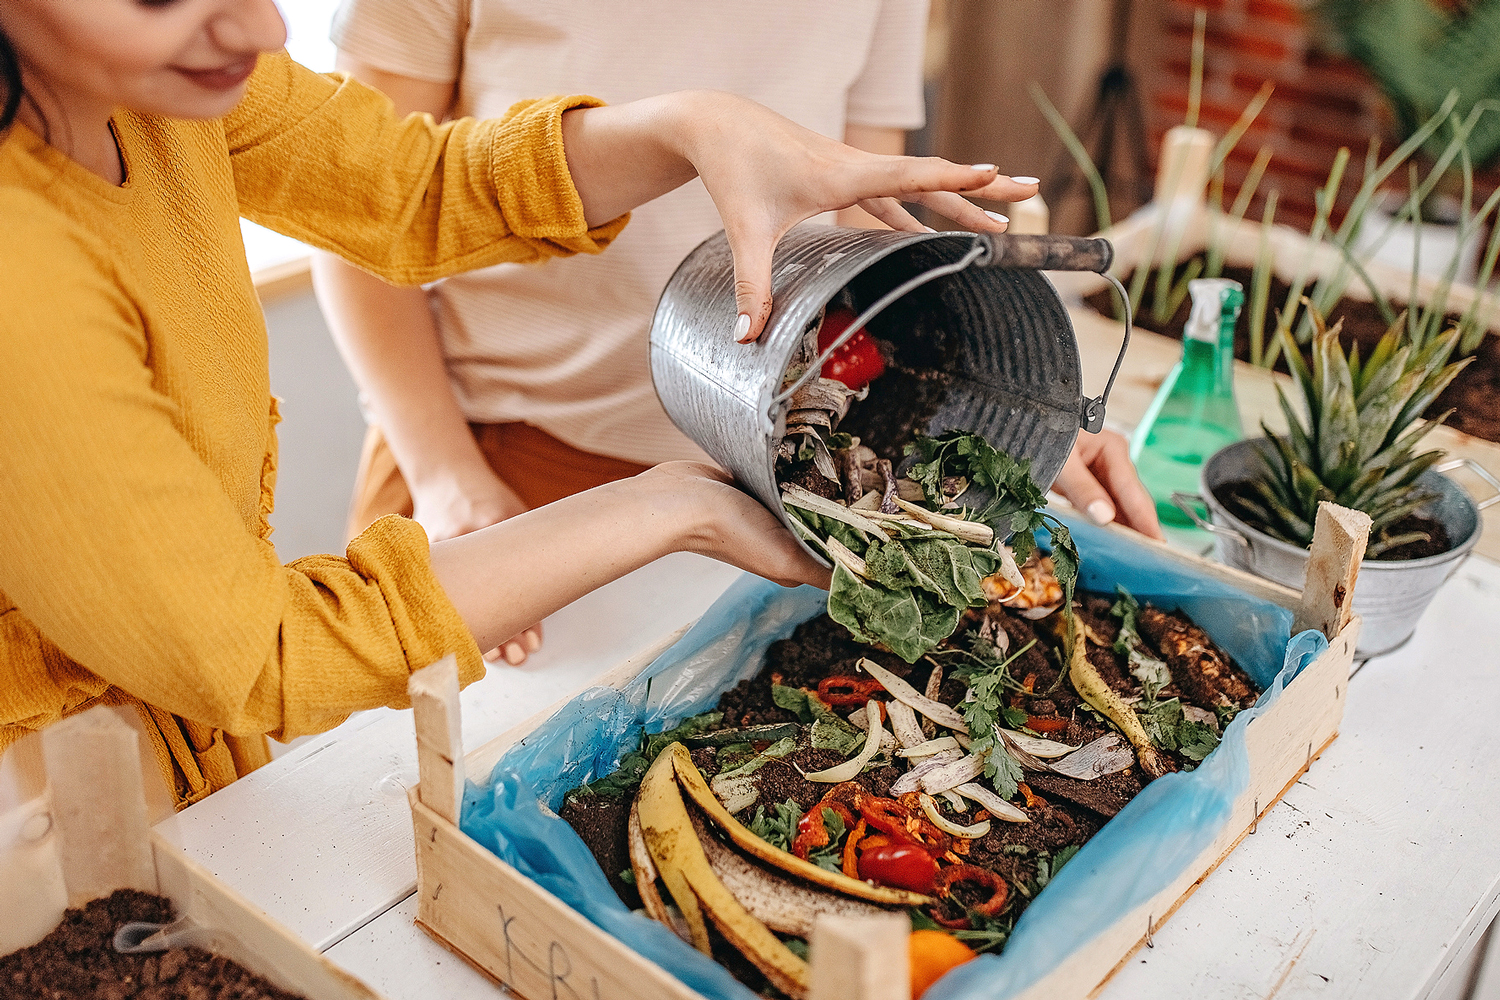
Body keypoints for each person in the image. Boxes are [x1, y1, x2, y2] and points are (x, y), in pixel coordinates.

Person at [0, 0, 1036, 810]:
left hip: (192, 742)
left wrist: (691, 126)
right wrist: (674, 504)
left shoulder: (150, 93)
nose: (266, 30)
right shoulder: (21, 275)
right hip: (53, 796)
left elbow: (412, 184)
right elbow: (260, 652)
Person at [315, 0, 1164, 666]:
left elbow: (861, 243)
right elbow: (351, 209)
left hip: (765, 481)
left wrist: (1008, 415)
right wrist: (444, 471)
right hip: (500, 467)